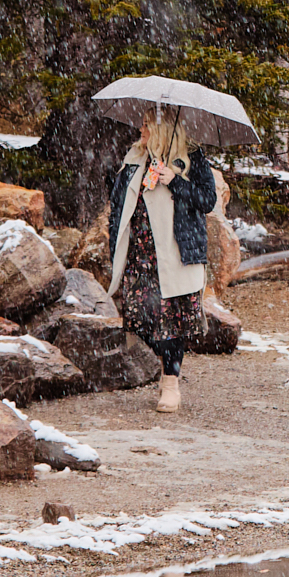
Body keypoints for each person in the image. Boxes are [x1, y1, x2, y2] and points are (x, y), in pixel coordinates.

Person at [104, 110, 217, 413]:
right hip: (139, 255)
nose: (140, 128)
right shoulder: (134, 158)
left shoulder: (191, 157)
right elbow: (117, 204)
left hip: (175, 255)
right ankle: (167, 363)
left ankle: (171, 382)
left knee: (171, 324)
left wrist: (174, 180)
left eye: (146, 124)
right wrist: (113, 241)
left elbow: (207, 200)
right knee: (139, 319)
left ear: (163, 129)